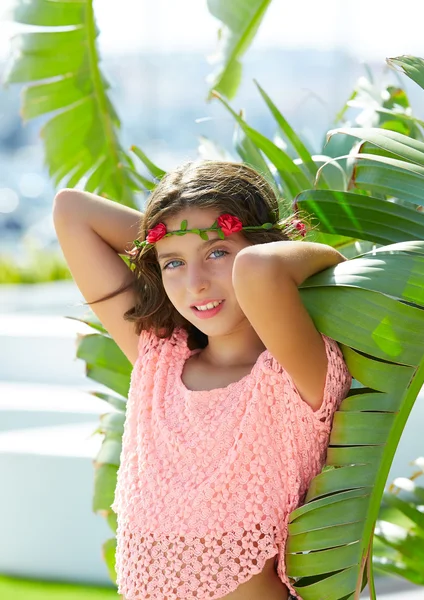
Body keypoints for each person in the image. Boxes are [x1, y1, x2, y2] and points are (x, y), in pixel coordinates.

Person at [52, 160, 353, 600]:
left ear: (262, 245)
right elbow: (70, 210)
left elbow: (261, 271)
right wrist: (174, 236)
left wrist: (331, 262)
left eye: (217, 254)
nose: (195, 284)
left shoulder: (295, 372)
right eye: (173, 264)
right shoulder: (159, 362)